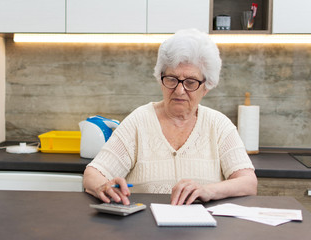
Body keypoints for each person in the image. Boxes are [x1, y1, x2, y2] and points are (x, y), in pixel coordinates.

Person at [83, 28, 257, 206]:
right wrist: (103, 187)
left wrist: (208, 190)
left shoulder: (219, 125)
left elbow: (248, 183)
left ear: (206, 87)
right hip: (145, 228)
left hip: (205, 232)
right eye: (172, 79)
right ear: (161, 80)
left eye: (190, 82)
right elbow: (93, 174)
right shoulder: (139, 121)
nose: (180, 90)